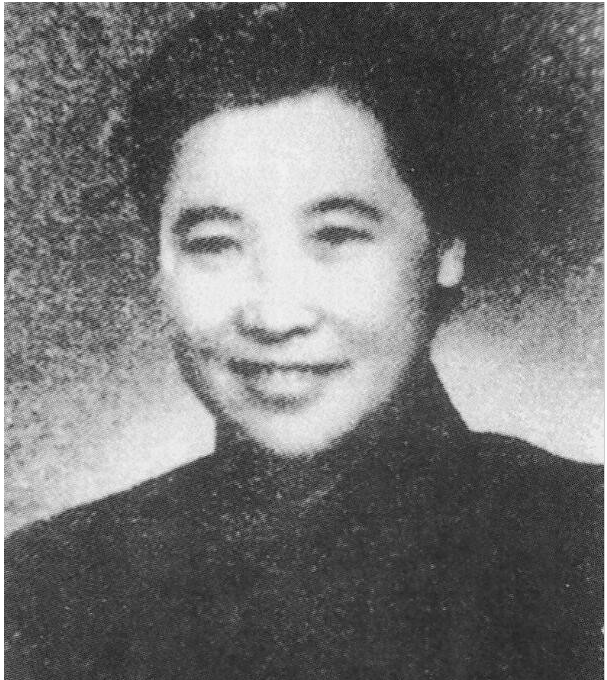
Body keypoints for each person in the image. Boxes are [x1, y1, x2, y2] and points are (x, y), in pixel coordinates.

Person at [5, 5, 602, 679]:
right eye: (214, 244)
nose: (273, 314)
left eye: (336, 235)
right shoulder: (49, 586)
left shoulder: (583, 543)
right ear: (158, 267)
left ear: (445, 249)